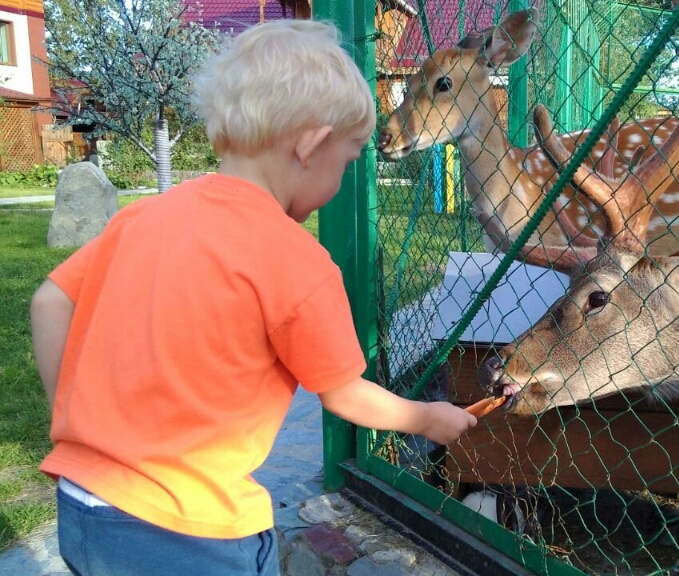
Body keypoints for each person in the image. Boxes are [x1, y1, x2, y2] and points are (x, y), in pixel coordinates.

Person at [29, 19, 477, 576]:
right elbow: (344, 395)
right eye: (348, 159)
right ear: (311, 145)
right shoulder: (297, 260)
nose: (341, 178)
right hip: (191, 532)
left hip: (85, 505)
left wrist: (69, 415)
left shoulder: (144, 216)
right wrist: (426, 418)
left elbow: (51, 301)